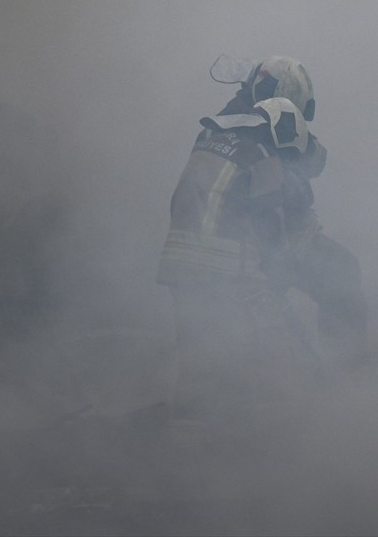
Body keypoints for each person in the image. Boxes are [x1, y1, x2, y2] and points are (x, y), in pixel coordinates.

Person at [157, 69, 366, 432]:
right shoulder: (265, 148)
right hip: (230, 271)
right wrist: (275, 276)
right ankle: (335, 403)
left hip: (180, 266)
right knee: (272, 372)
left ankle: (185, 463)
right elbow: (274, 222)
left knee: (200, 370)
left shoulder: (213, 132)